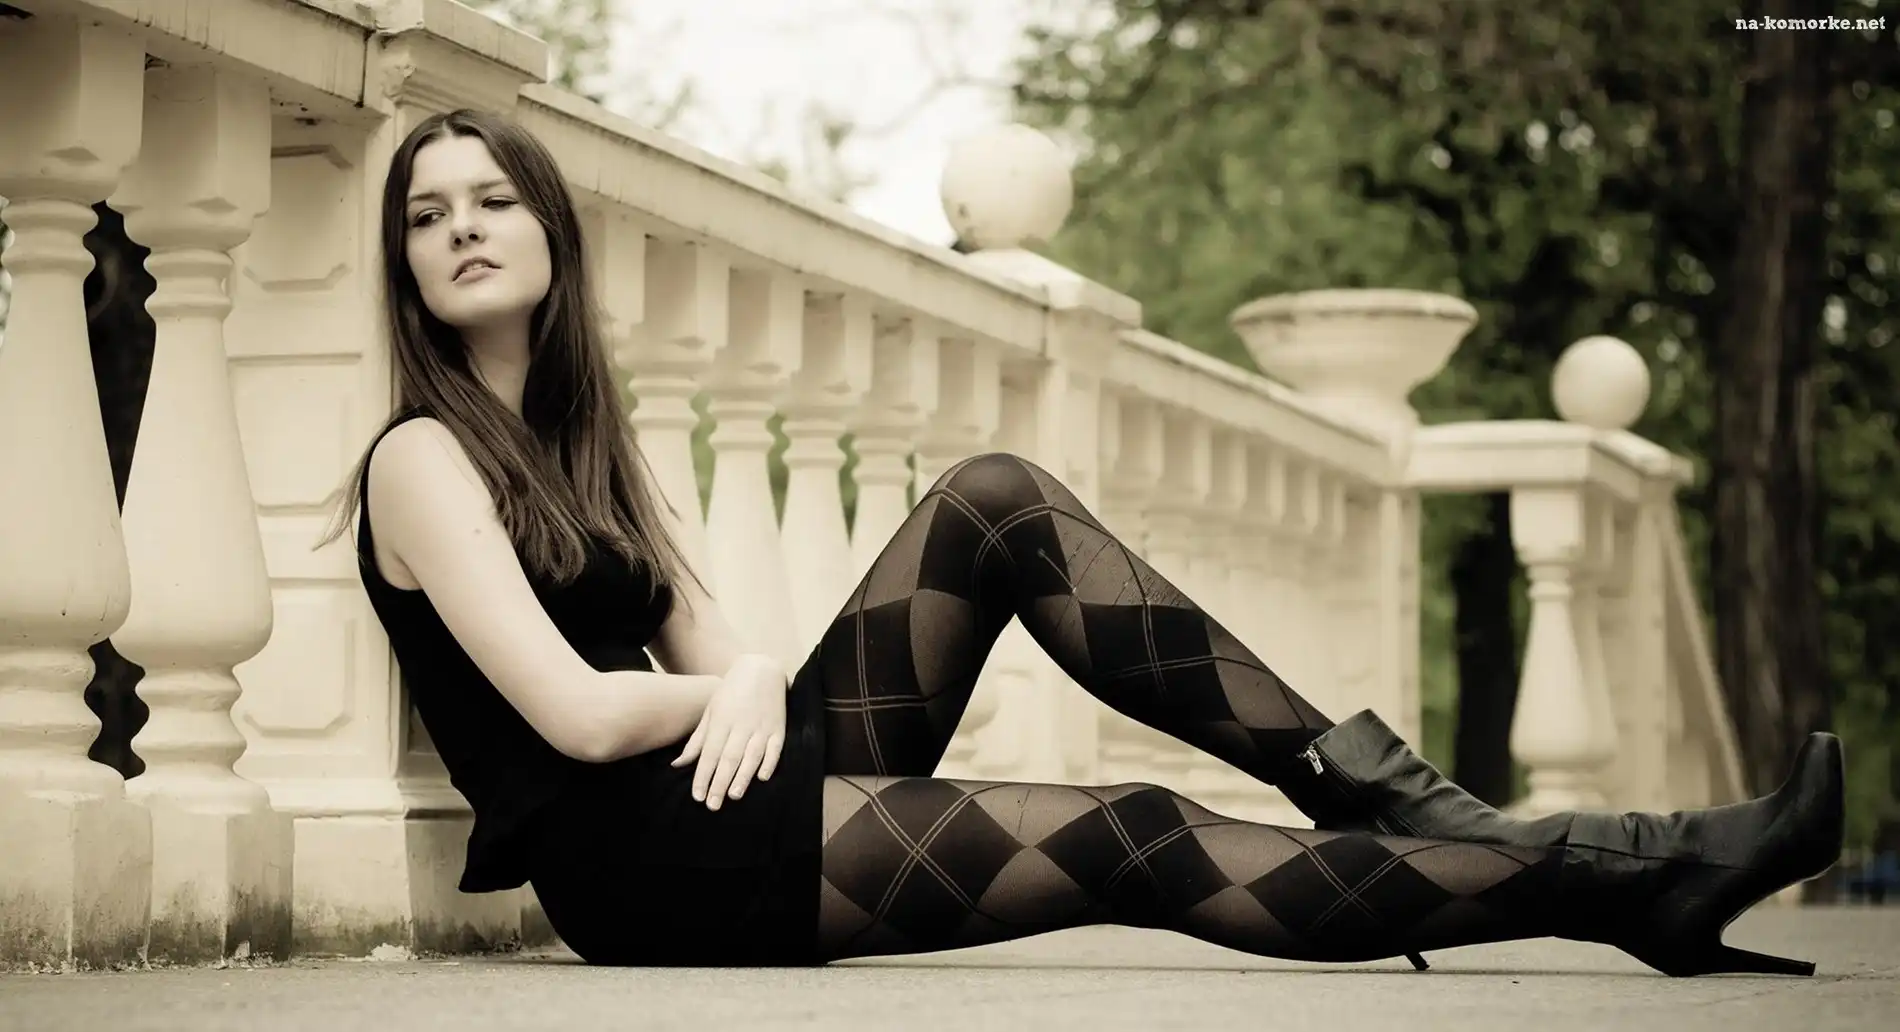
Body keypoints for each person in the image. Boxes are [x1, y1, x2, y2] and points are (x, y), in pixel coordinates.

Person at [322, 107, 1845, 975]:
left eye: (492, 199)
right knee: (1134, 834)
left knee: (996, 497)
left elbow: (735, 659)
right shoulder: (421, 462)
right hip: (654, 866)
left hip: (734, 786)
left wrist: (741, 682)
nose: (461, 229)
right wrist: (727, 690)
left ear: (550, 230)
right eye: (426, 215)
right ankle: (1615, 880)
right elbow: (582, 717)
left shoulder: (579, 445)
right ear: (405, 264)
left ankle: (1381, 792)